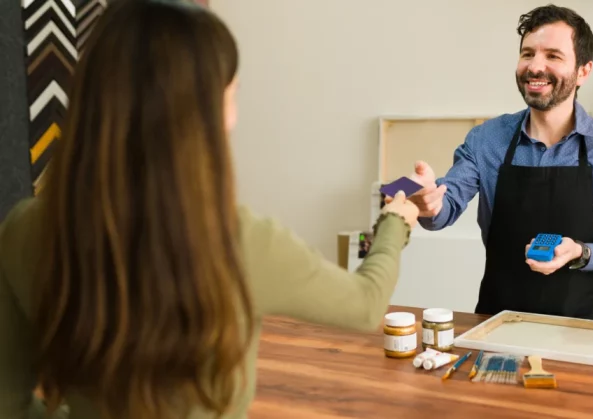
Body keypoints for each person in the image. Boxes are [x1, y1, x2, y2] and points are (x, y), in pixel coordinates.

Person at [0, 1, 418, 418]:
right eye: (232, 94)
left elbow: (8, 403)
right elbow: (366, 304)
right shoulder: (241, 241)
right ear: (204, 113)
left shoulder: (25, 230)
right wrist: (395, 222)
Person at [408, 5, 593, 321]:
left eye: (553, 56)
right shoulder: (486, 139)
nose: (535, 66)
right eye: (527, 54)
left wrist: (580, 252)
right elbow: (444, 209)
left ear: (583, 71)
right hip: (494, 324)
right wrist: (428, 204)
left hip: (580, 331)